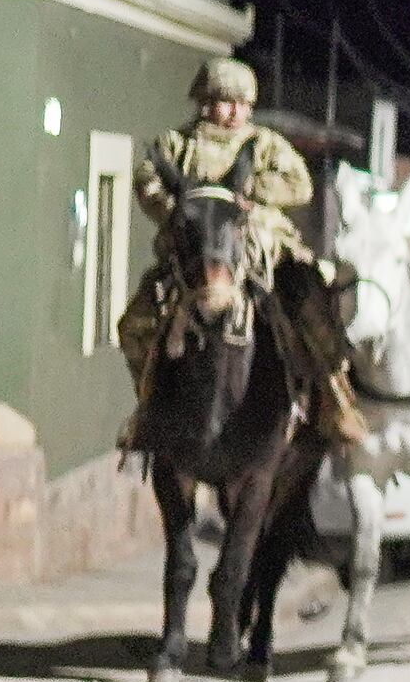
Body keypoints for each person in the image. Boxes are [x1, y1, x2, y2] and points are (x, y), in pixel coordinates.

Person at [118, 54, 352, 433]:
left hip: (263, 250)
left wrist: (253, 190)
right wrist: (176, 208)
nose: (235, 112)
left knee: (312, 308)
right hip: (193, 256)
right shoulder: (177, 144)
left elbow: (300, 185)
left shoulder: (266, 145)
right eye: (227, 102)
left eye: (243, 104)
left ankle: (334, 399)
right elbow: (148, 182)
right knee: (135, 323)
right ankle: (147, 406)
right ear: (204, 102)